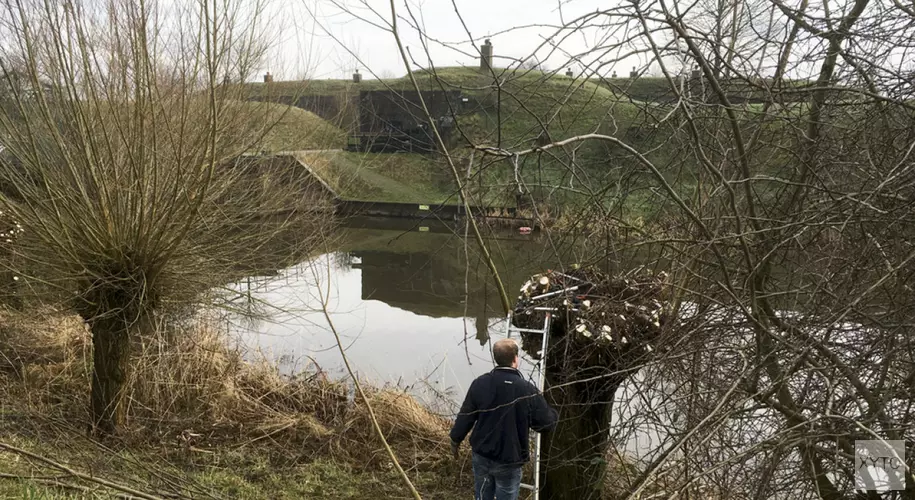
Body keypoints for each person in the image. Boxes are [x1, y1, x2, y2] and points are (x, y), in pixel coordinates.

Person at [450, 338, 559, 500]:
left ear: (496, 358)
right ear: (516, 359)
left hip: (482, 454)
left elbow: (465, 416)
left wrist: (455, 440)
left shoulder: (480, 383)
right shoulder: (527, 390)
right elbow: (546, 424)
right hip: (509, 459)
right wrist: (555, 413)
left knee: (482, 495)